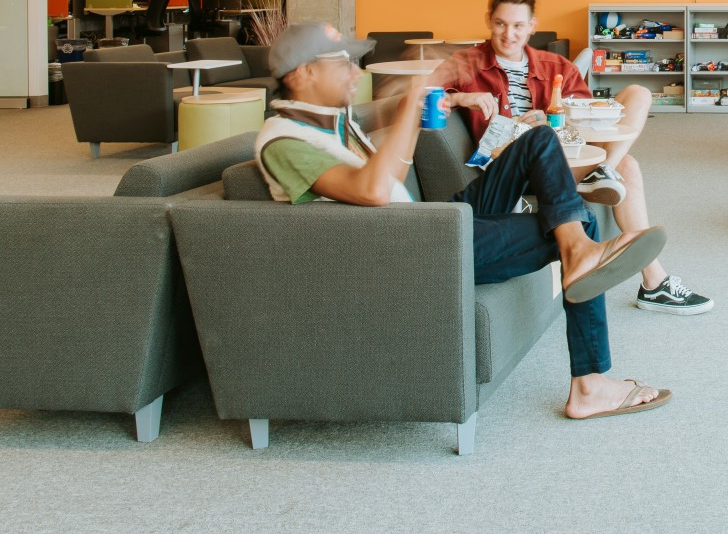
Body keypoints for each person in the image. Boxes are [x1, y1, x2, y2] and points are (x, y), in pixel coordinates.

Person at [255, 21, 672, 420]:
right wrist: (411, 104)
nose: (353, 74)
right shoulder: (284, 142)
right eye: (342, 63)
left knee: (538, 139)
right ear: (304, 73)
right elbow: (375, 191)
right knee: (578, 224)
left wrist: (434, 102)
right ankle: (590, 386)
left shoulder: (328, 123)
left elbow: (389, 180)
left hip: (426, 225)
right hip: (417, 248)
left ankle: (579, 251)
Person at [435, 0, 712, 315]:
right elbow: (419, 103)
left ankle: (606, 170)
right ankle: (654, 279)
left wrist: (553, 119)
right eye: (500, 24)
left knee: (639, 94)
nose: (509, 34)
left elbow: (583, 116)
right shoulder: (465, 63)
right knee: (629, 168)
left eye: (518, 25)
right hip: (509, 170)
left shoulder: (555, 65)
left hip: (559, 156)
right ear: (489, 20)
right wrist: (458, 97)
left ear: (532, 25)